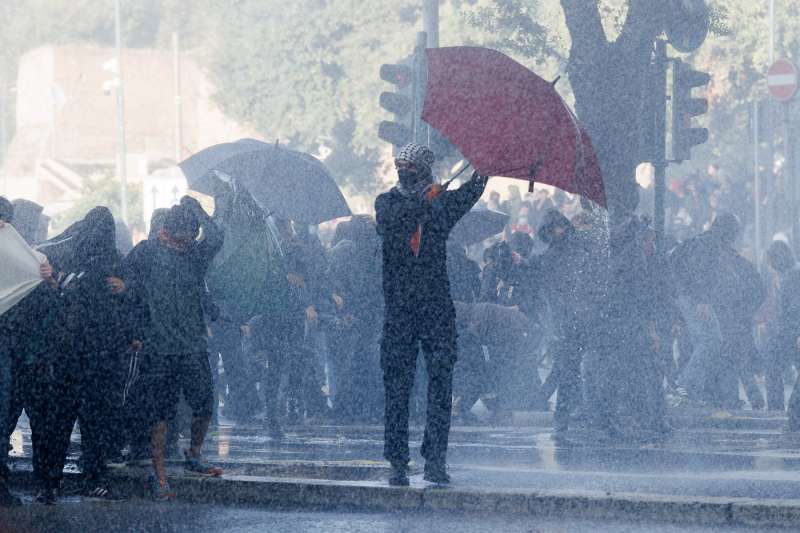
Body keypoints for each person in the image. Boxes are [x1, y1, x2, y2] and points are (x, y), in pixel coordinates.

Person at [375, 142, 488, 486]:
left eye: (411, 167)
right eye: (401, 166)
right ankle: (397, 459)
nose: (404, 172)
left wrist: (484, 167)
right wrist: (424, 200)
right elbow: (394, 224)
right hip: (400, 310)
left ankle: (435, 458)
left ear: (425, 170)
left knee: (441, 384)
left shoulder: (441, 203)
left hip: (436, 307)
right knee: (398, 385)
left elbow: (469, 194)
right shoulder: (387, 202)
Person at [124, 196, 224, 501]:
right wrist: (134, 328)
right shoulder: (147, 252)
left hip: (193, 345)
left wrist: (198, 210)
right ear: (167, 233)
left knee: (205, 403)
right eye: (182, 240)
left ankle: (194, 453)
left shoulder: (194, 254)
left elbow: (217, 236)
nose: (186, 245)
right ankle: (160, 475)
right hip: (159, 348)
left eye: (190, 240)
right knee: (161, 414)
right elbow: (125, 283)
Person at [764, 241, 800, 418]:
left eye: (771, 261)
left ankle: (777, 409)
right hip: (790, 331)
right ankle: (786, 409)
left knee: (772, 364)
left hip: (791, 332)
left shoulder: (792, 276)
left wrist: (788, 330)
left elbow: (795, 308)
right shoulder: (791, 274)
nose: (770, 266)